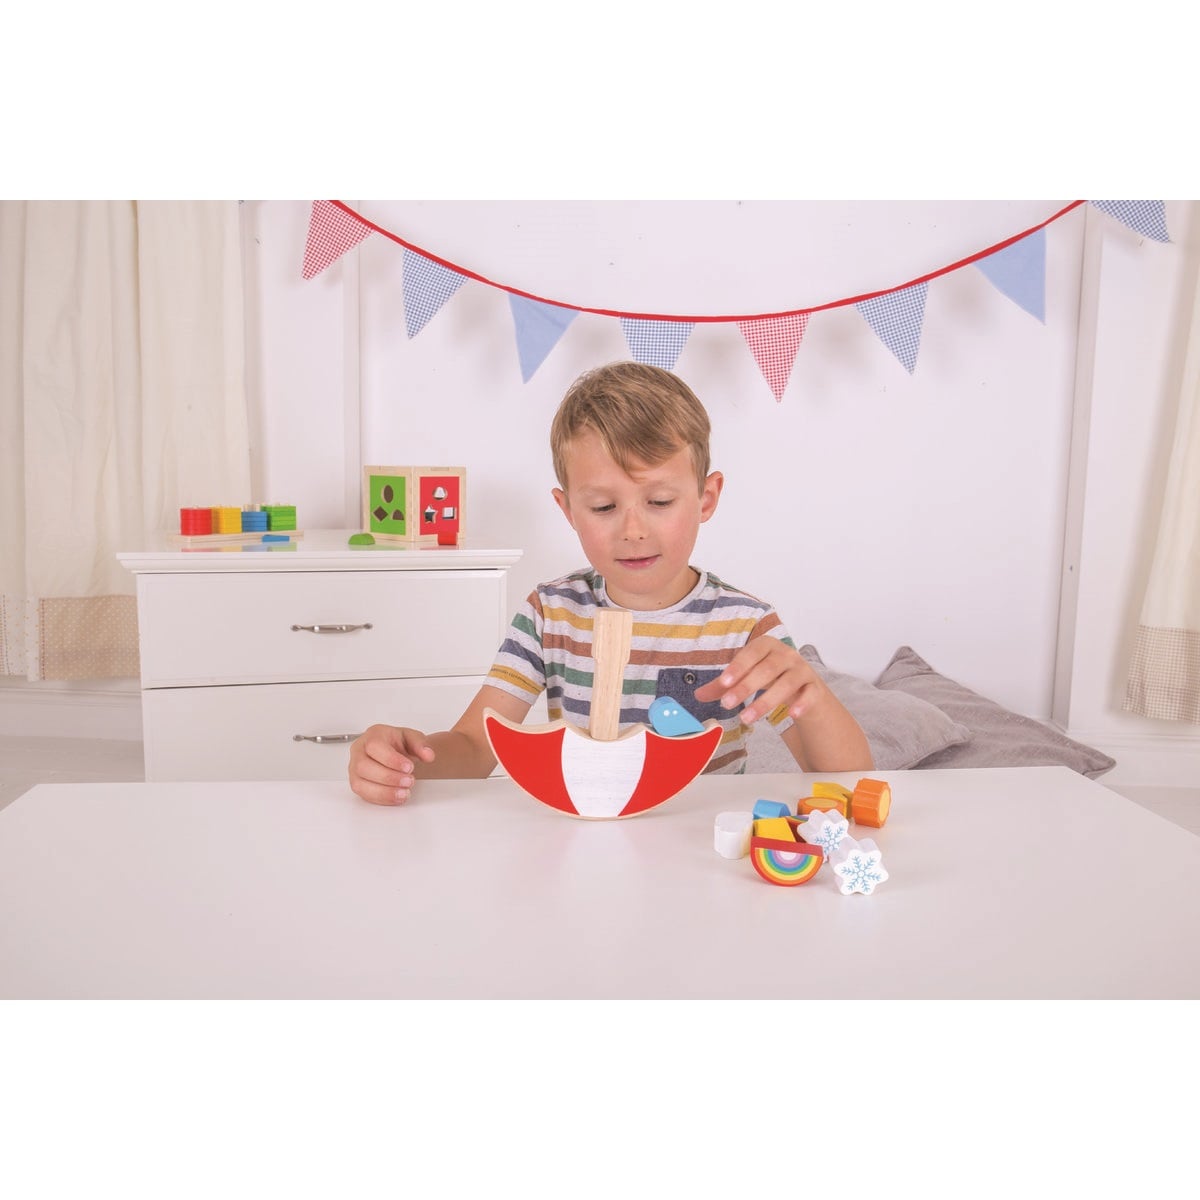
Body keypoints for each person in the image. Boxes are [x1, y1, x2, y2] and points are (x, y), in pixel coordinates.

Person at [348, 361, 871, 805]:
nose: (633, 530)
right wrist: (408, 762)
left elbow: (847, 778)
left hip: (703, 849)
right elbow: (474, 746)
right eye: (603, 507)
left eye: (659, 501)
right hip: (587, 842)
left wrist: (814, 694)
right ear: (568, 510)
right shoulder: (550, 613)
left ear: (706, 499)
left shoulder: (745, 625)